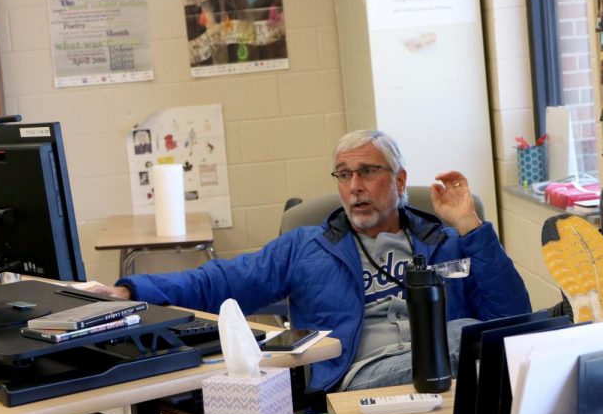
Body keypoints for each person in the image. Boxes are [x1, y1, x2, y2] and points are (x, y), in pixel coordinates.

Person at [91, 130, 531, 392]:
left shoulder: (447, 240)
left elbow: (511, 314)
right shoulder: (306, 246)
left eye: (368, 172)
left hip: (447, 375)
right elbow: (222, 279)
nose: (355, 185)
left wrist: (472, 228)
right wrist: (133, 291)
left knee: (487, 337)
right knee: (472, 340)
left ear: (399, 181)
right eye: (344, 174)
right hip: (363, 377)